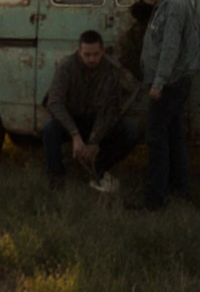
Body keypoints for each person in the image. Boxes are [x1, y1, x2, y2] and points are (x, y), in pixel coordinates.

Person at [126, 0, 200, 210]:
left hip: (170, 82)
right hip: (172, 80)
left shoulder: (174, 4)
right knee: (174, 135)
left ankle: (154, 200)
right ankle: (180, 190)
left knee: (156, 136)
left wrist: (158, 84)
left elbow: (170, 48)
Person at [41, 30, 140, 192]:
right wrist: (74, 134)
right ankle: (56, 180)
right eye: (87, 55)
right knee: (49, 130)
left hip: (97, 121)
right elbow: (54, 102)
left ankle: (98, 167)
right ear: (79, 52)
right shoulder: (67, 66)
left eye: (95, 54)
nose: (92, 59)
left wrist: (95, 140)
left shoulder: (111, 70)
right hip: (72, 120)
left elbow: (111, 109)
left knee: (131, 131)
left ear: (102, 51)